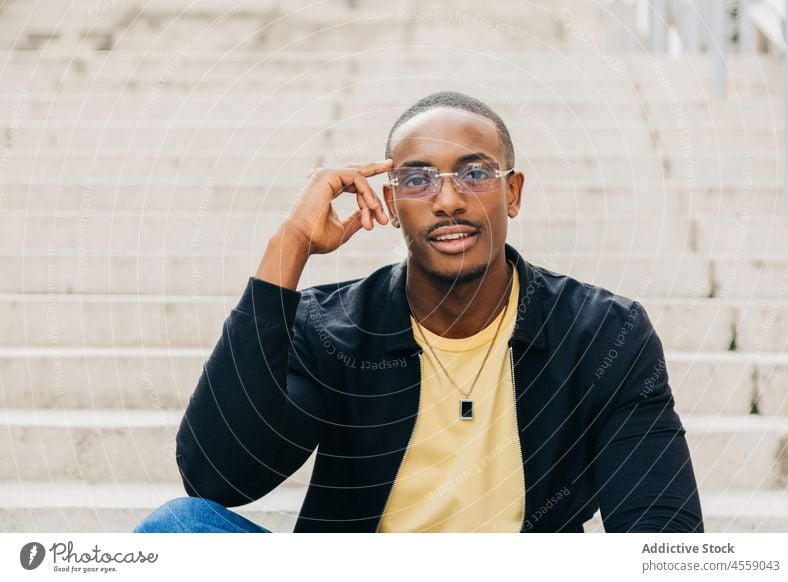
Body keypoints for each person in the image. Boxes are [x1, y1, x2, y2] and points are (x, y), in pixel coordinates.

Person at [134, 91, 704, 533]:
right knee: (177, 530)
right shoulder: (336, 331)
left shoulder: (602, 334)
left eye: (476, 173)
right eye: (417, 179)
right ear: (389, 204)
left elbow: (662, 534)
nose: (449, 199)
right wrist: (289, 247)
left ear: (514, 193)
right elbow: (218, 475)